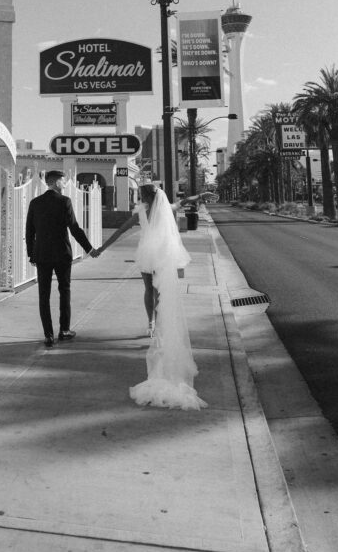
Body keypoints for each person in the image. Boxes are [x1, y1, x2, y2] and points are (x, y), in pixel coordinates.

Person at [98, 183, 206, 411]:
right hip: (163, 255)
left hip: (146, 254)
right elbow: (183, 203)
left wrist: (101, 248)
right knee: (161, 292)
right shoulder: (166, 208)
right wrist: (200, 195)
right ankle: (158, 323)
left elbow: (119, 231)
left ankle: (151, 322)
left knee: (149, 290)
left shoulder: (141, 212)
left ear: (144, 196)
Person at [26, 170, 99, 347]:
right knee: (64, 291)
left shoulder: (35, 203)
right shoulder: (64, 201)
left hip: (42, 255)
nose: (65, 184)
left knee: (44, 295)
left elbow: (29, 232)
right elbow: (74, 228)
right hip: (61, 254)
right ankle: (64, 330)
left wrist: (32, 254)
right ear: (56, 182)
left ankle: (48, 335)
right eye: (63, 181)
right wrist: (89, 249)